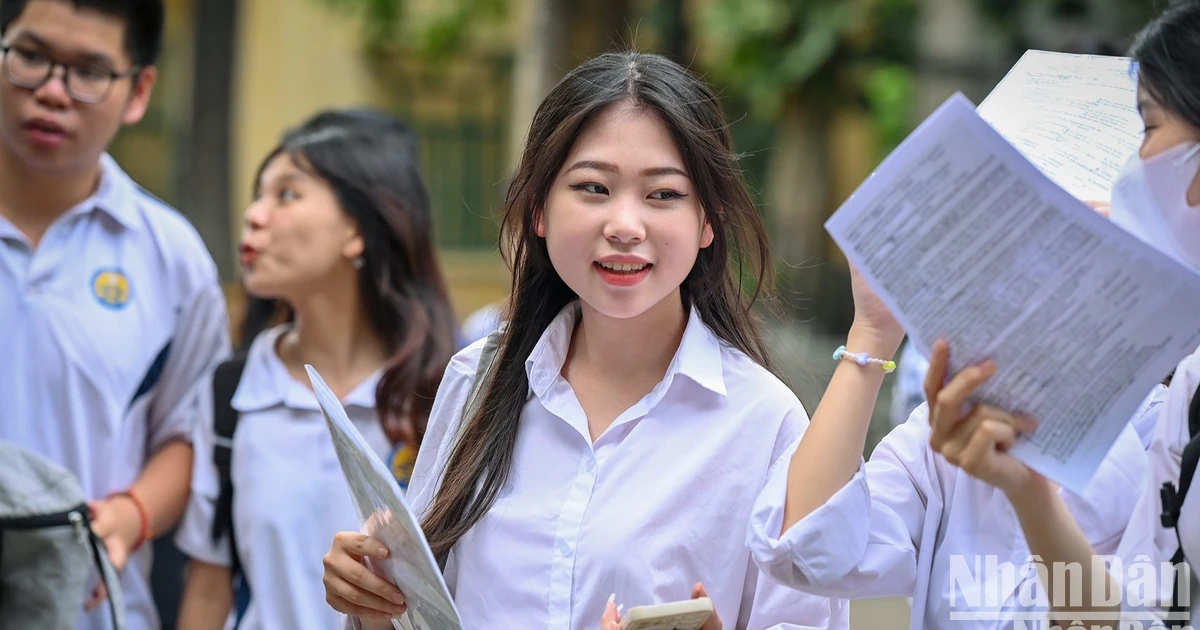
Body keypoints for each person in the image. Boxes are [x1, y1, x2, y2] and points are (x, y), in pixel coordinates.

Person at [320, 51, 850, 630]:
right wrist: (370, 598)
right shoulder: (478, 379)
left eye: (663, 194)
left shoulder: (764, 423)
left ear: (708, 221)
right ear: (539, 210)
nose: (625, 225)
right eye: (593, 188)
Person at [744, 44, 1171, 630]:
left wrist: (1033, 494)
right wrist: (873, 332)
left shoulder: (1171, 428)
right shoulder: (946, 437)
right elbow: (803, 552)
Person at [928, 2, 1200, 626]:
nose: (1135, 168)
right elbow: (1142, 618)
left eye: (1149, 127)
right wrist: (1029, 489)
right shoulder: (1191, 389)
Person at [172, 108, 458, 630]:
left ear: (358, 229)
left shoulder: (444, 393)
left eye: (286, 194)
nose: (255, 215)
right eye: (258, 194)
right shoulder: (233, 393)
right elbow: (210, 590)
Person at [0, 1, 230, 628]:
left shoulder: (171, 259)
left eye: (90, 71)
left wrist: (130, 516)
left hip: (88, 609)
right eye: (30, 56)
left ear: (138, 91)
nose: (52, 90)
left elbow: (189, 433)